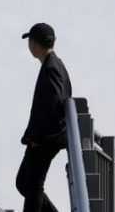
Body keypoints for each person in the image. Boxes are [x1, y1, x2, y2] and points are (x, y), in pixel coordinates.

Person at [16, 22, 72, 212]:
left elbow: (53, 104)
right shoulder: (54, 65)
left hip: (45, 139)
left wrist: (39, 139)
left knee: (32, 185)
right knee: (24, 182)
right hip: (44, 137)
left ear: (34, 44)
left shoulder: (51, 68)